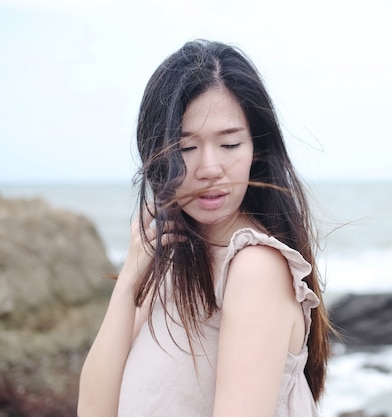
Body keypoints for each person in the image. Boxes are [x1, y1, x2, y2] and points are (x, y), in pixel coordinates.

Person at [77, 39, 331, 417]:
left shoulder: (254, 269)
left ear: (255, 151)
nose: (209, 168)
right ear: (156, 155)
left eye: (229, 144)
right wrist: (130, 278)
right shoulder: (172, 262)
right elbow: (93, 410)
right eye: (185, 148)